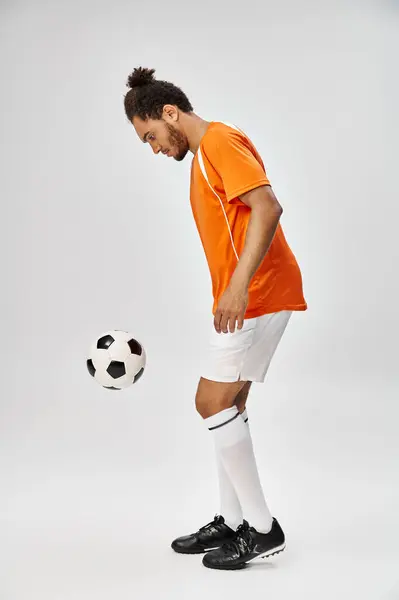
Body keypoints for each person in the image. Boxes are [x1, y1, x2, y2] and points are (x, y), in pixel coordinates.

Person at [123, 67, 307, 570]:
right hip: (255, 295)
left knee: (209, 401)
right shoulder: (203, 156)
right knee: (229, 404)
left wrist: (238, 287)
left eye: (152, 136)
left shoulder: (220, 141)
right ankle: (233, 520)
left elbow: (267, 207)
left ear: (169, 113)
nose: (155, 148)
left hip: (258, 294)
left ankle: (264, 530)